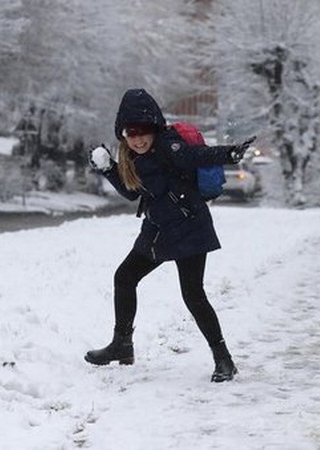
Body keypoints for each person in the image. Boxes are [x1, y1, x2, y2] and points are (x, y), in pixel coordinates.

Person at [85, 88, 252, 383]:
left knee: (193, 295)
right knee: (124, 277)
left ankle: (223, 359)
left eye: (143, 131)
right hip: (158, 229)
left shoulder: (168, 146)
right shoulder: (130, 156)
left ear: (155, 128)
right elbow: (130, 192)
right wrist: (108, 168)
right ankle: (122, 344)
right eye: (130, 132)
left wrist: (229, 153)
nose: (137, 138)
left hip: (188, 226)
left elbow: (198, 155)